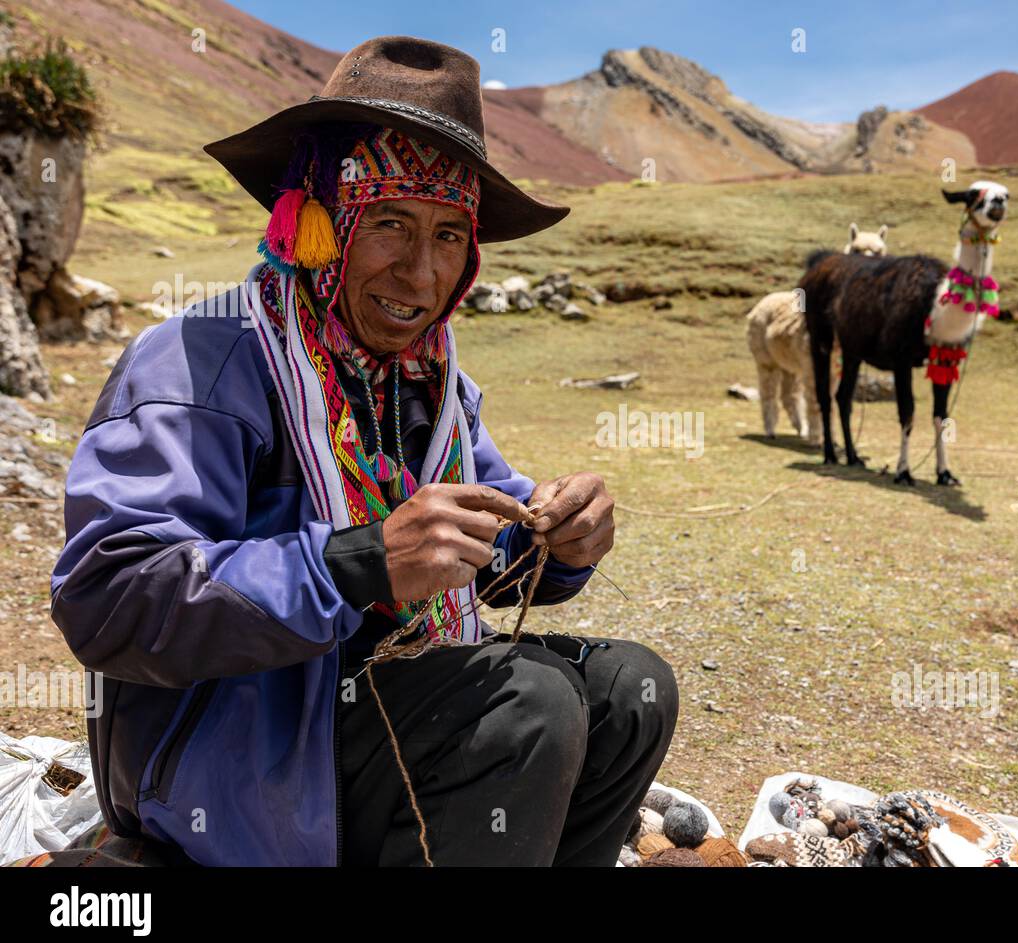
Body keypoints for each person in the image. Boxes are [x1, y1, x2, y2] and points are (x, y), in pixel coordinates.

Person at [49, 36, 679, 867]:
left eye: (450, 236)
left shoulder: (429, 382)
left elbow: (485, 546)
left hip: (372, 712)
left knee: (630, 690)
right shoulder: (200, 362)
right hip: (235, 756)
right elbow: (109, 599)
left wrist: (556, 541)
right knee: (526, 709)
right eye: (389, 224)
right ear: (317, 223)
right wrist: (358, 563)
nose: (421, 275)